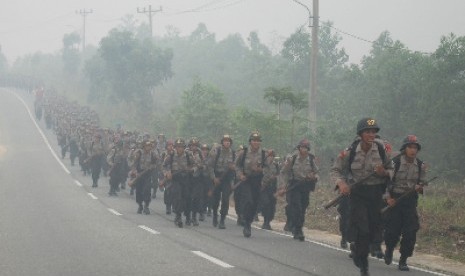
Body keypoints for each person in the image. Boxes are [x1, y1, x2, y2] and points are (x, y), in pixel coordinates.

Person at [330, 118, 394, 276]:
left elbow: (392, 169)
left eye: (374, 132)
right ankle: (363, 265)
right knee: (362, 229)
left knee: (373, 231)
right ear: (360, 134)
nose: (371, 135)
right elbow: (335, 170)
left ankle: (359, 251)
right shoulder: (349, 152)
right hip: (357, 194)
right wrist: (342, 184)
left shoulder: (381, 150)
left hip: (375, 194)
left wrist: (384, 173)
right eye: (368, 132)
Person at [383, 135, 426, 271]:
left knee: (410, 232)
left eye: (415, 148)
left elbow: (422, 182)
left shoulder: (420, 165)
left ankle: (403, 260)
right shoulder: (394, 162)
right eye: (410, 147)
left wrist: (420, 187)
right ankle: (389, 249)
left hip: (410, 202)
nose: (413, 150)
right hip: (394, 201)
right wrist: (388, 198)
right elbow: (385, 183)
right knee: (392, 231)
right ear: (404, 148)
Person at [280, 139, 319, 241]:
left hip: (305, 187)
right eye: (302, 147)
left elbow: (316, 172)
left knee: (303, 208)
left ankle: (298, 227)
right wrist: (284, 185)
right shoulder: (292, 159)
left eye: (306, 148)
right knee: (296, 207)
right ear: (299, 148)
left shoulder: (311, 159)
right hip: (294, 186)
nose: (304, 150)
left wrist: (313, 177)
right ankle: (298, 230)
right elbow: (284, 172)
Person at [235, 131, 266, 238]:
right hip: (246, 180)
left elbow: (269, 169)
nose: (256, 143)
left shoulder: (263, 154)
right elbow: (237, 166)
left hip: (257, 181)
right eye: (254, 140)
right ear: (250, 142)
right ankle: (246, 224)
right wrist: (240, 175)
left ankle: (249, 221)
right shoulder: (243, 153)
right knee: (248, 200)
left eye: (258, 141)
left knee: (255, 204)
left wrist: (261, 170)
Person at [163, 138, 196, 228]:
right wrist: (167, 173)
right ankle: (178, 216)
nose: (179, 148)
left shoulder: (189, 155)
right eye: (178, 147)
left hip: (186, 179)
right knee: (177, 197)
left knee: (187, 198)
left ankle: (188, 216)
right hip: (175, 179)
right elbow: (164, 166)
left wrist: (191, 170)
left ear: (184, 147)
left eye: (181, 147)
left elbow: (195, 165)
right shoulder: (171, 155)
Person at [208, 134, 236, 229]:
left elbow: (237, 167)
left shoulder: (233, 153)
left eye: (228, 141)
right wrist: (213, 178)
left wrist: (233, 168)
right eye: (225, 140)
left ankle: (222, 219)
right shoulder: (217, 152)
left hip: (227, 179)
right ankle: (215, 215)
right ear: (222, 142)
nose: (227, 142)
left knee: (225, 199)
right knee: (215, 200)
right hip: (217, 177)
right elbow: (210, 166)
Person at [258, 151, 280, 230]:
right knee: (265, 203)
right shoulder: (262, 165)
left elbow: (279, 176)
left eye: (272, 156)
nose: (271, 158)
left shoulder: (276, 166)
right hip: (263, 187)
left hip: (272, 188)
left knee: (271, 205)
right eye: (269, 156)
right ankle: (265, 220)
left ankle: (267, 221)